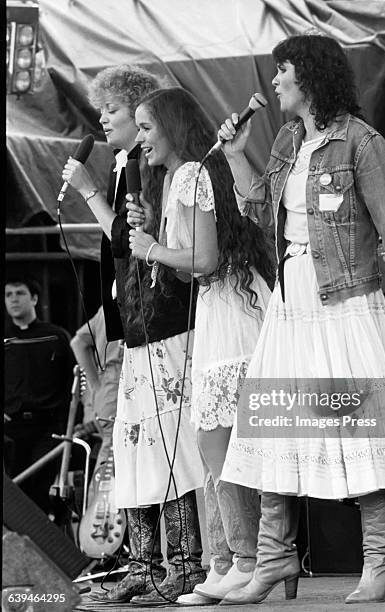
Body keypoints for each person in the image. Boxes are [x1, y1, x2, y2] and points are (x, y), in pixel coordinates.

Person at [216, 34, 385, 605]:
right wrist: (239, 152)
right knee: (276, 423)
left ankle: (381, 563)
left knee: (363, 426)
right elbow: (260, 206)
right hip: (292, 304)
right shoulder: (289, 138)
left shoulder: (361, 143)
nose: (274, 82)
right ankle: (273, 559)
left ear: (309, 77)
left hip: (343, 302)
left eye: (282, 70)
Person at [125, 87, 275, 605]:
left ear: (170, 126)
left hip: (230, 310)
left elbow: (204, 259)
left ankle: (246, 561)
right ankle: (232, 563)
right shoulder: (185, 176)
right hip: (225, 306)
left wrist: (153, 249)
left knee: (218, 441)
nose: (140, 139)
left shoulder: (189, 173)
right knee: (222, 441)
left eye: (145, 128)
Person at [62, 66, 206, 603]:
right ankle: (146, 565)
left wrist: (89, 192)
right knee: (134, 441)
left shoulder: (152, 166)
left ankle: (185, 564)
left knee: (167, 441)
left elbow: (132, 241)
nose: (102, 119)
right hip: (137, 323)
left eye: (114, 111)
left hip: (165, 321)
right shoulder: (131, 163)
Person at [4, 276, 75, 514]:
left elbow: (73, 380)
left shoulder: (56, 336)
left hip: (49, 428)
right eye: (8, 295)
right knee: (14, 492)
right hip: (11, 429)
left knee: (43, 490)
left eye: (19, 293)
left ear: (34, 298)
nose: (14, 299)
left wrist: (68, 422)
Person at [70, 305, 123, 478]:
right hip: (120, 380)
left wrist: (96, 384)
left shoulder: (105, 308)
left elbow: (78, 343)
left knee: (111, 450)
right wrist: (95, 384)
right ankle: (101, 504)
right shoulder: (129, 298)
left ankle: (101, 502)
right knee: (114, 452)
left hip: (107, 385)